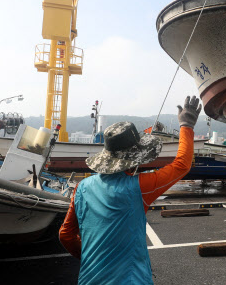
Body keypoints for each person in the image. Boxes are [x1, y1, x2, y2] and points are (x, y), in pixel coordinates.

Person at [59, 96, 202, 284]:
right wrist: (186, 126)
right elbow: (182, 165)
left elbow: (66, 234)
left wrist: (89, 257)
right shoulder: (139, 187)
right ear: (134, 157)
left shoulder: (81, 188)